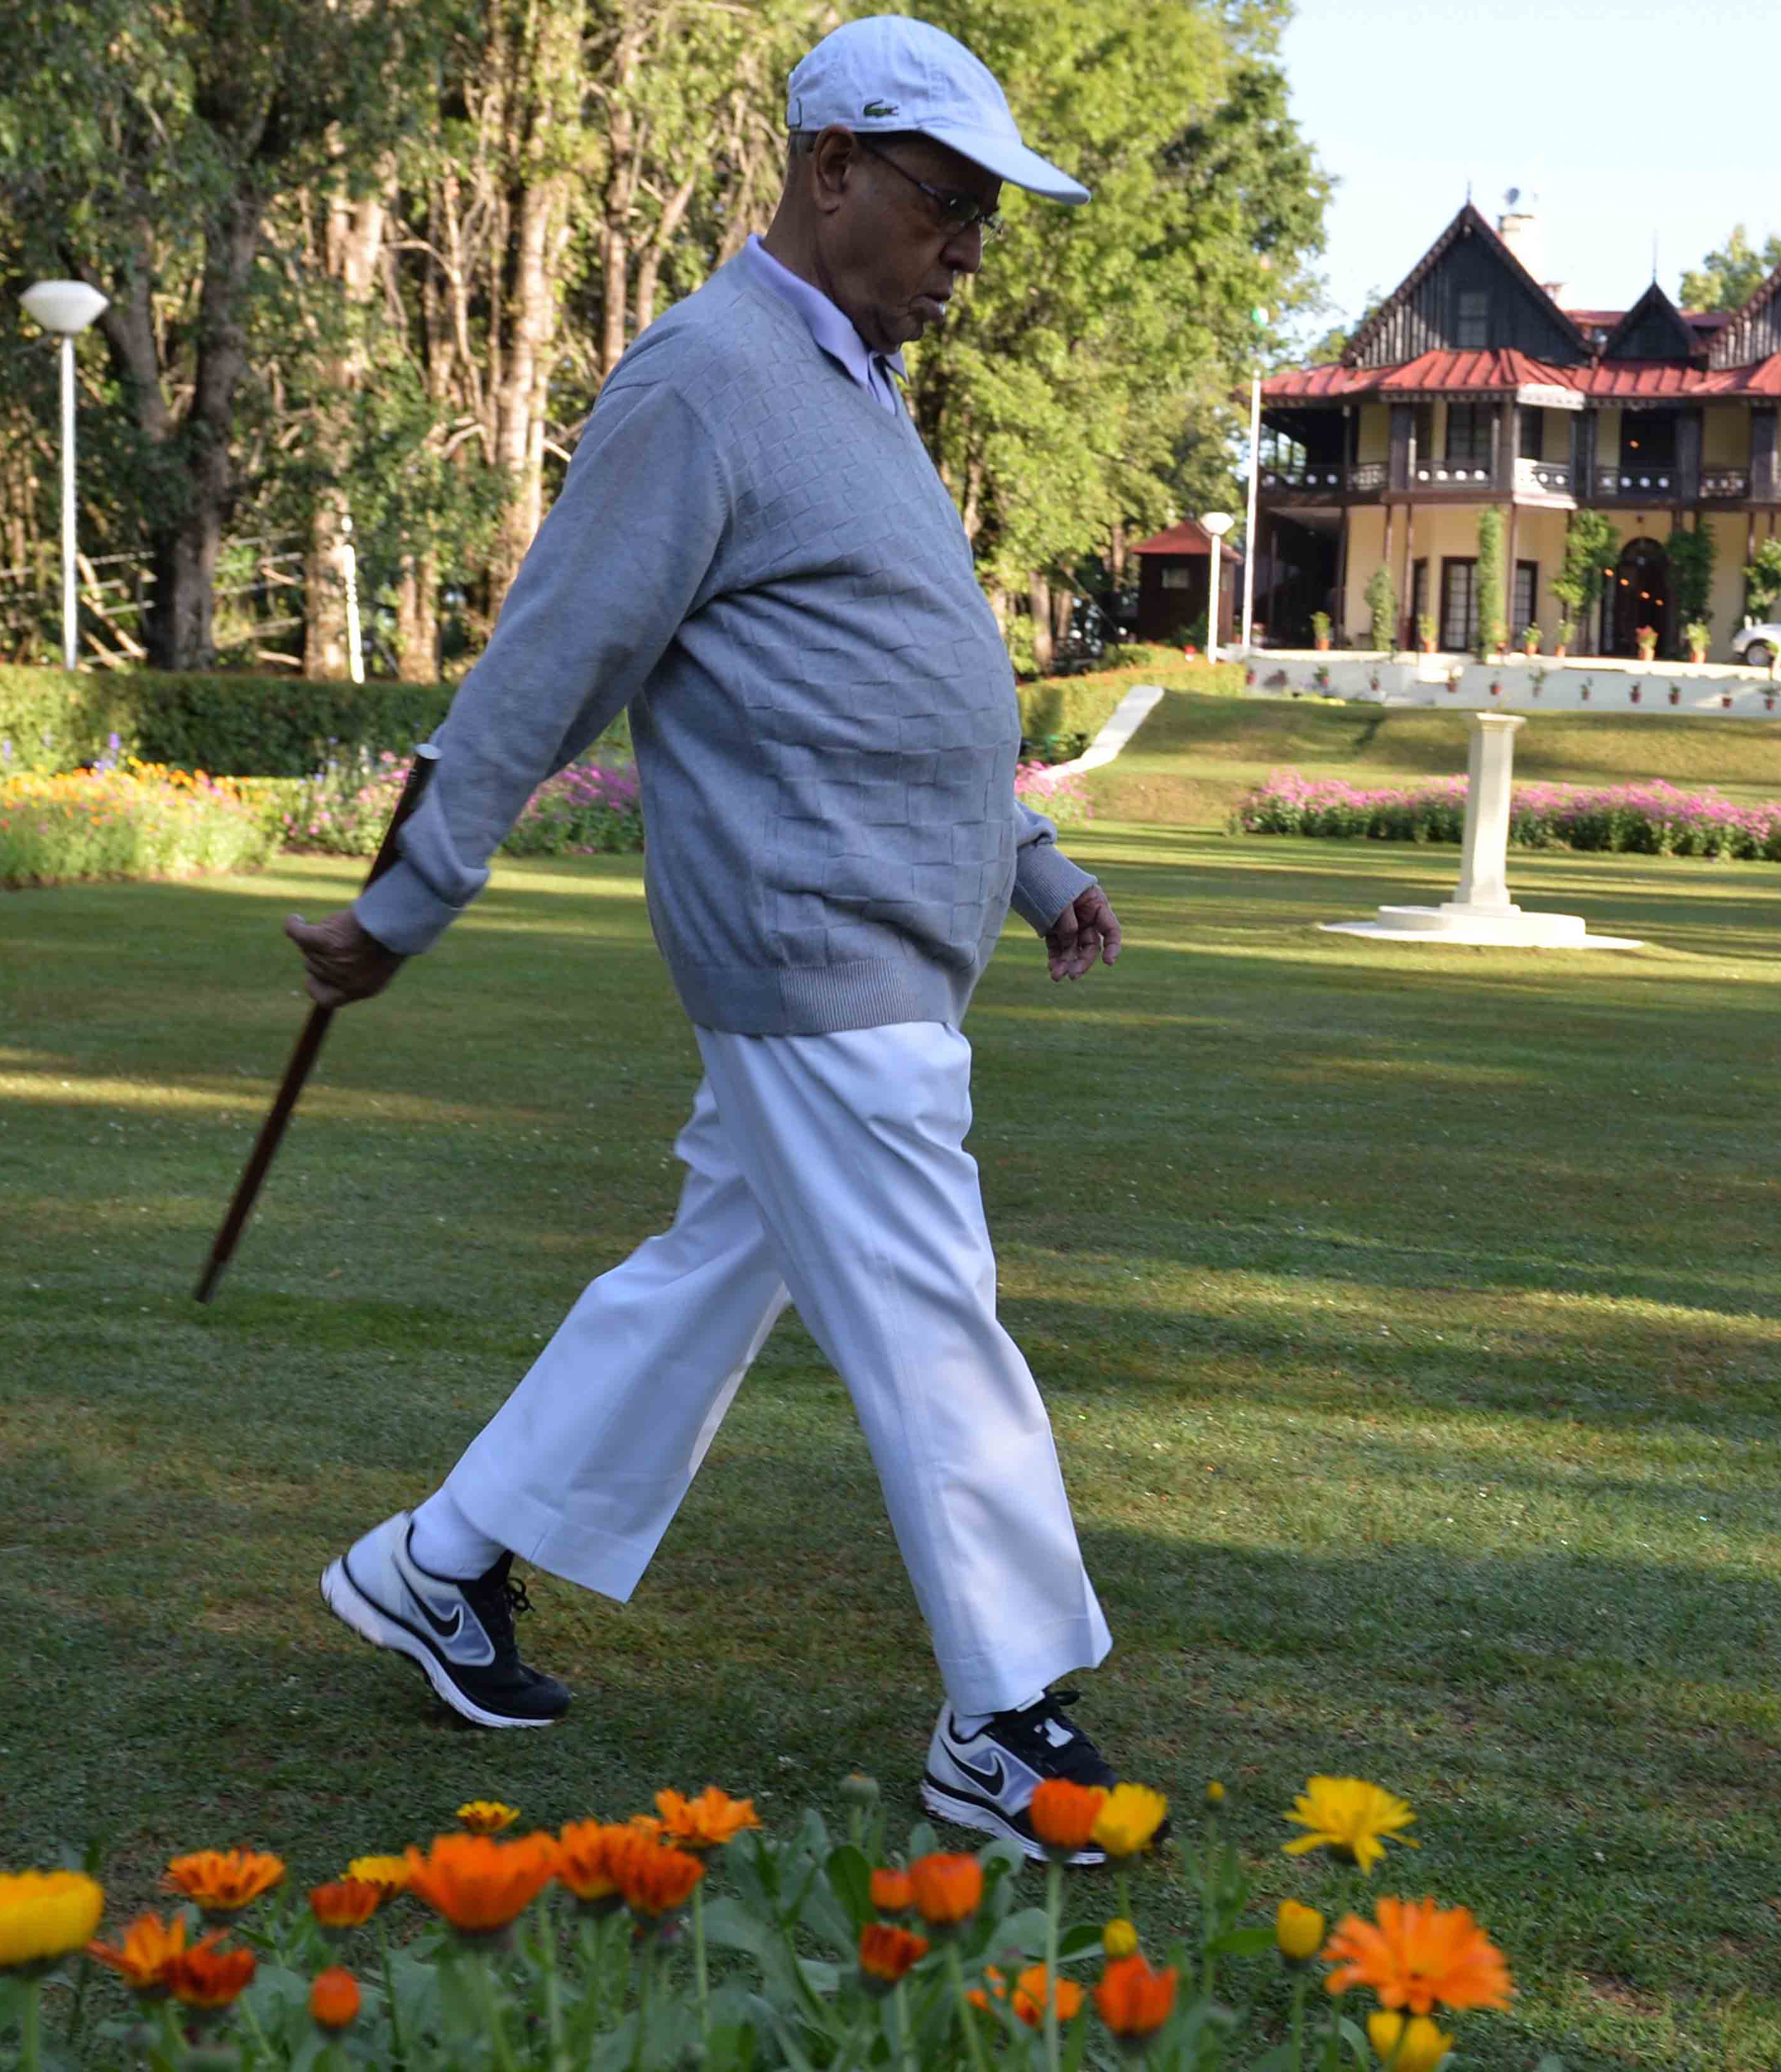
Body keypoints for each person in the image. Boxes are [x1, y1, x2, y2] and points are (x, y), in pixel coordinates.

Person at [285, 14, 1125, 1862]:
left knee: (702, 1284)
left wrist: (1033, 861)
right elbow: (547, 667)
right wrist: (404, 902)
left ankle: (441, 1565)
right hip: (808, 950)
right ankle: (1004, 1722)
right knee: (930, 1317)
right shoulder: (702, 380)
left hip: (889, 936)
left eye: (983, 212)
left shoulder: (847, 384)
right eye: (947, 201)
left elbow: (887, 684)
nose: (968, 247)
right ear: (832, 167)